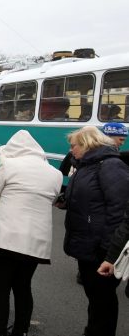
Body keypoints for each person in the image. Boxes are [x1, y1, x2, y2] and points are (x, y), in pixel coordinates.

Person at [0, 130, 62, 336]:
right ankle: (21, 330)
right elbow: (50, 200)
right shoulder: (55, 173)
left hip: (5, 238)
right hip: (36, 242)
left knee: (0, 289)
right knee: (23, 288)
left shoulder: (8, 166)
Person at [62, 126, 129, 336]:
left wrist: (109, 251)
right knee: (95, 297)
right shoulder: (87, 166)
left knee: (103, 300)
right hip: (88, 244)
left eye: (73, 146)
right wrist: (65, 201)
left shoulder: (110, 166)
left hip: (100, 248)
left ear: (87, 144)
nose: (71, 150)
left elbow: (119, 210)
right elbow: (89, 198)